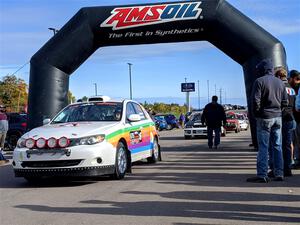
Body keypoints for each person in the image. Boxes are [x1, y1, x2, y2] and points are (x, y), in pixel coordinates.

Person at [247, 59, 288, 183]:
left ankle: (262, 175)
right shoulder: (280, 83)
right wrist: (278, 111)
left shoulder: (259, 81)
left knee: (264, 147)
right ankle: (279, 173)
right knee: (277, 146)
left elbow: (255, 101)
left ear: (263, 69)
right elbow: (285, 102)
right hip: (278, 117)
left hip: (265, 117)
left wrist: (257, 114)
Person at [268, 67, 296, 177]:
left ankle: (276, 168)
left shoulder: (279, 87)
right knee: (288, 145)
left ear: (278, 76)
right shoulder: (292, 89)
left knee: (276, 144)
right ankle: (288, 168)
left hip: (281, 118)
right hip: (291, 118)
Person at [288, 70, 300, 168]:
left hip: (297, 118)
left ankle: (297, 161)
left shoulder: (296, 88)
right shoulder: (293, 88)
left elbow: (297, 106)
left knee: (296, 141)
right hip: (295, 119)